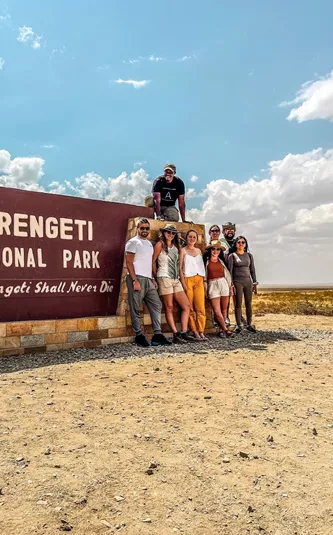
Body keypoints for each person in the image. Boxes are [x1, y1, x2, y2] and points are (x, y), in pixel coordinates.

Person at [125, 218, 172, 347]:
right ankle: (139, 335)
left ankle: (157, 335)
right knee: (135, 308)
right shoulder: (133, 242)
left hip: (148, 279)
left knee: (156, 304)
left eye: (147, 228)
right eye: (142, 228)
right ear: (137, 228)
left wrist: (152, 278)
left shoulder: (149, 244)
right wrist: (134, 280)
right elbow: (129, 262)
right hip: (136, 278)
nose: (144, 230)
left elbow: (148, 262)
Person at [152, 224, 195, 343]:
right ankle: (175, 334)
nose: (170, 235)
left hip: (175, 279)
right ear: (164, 233)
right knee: (169, 307)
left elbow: (179, 265)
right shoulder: (160, 245)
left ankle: (184, 332)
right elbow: (153, 261)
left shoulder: (177, 246)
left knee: (186, 306)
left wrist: (182, 281)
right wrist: (155, 277)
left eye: (173, 233)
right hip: (164, 277)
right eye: (168, 232)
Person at [180, 229, 208, 341]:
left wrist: (204, 281)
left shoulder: (199, 251)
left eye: (194, 237)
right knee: (190, 307)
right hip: (188, 279)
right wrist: (183, 283)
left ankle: (201, 330)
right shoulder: (183, 251)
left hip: (199, 279)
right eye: (190, 236)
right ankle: (194, 331)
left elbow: (202, 266)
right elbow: (180, 268)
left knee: (200, 307)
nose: (192, 239)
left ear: (196, 239)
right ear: (186, 238)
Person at [203, 240, 234, 338]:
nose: (215, 251)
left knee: (224, 309)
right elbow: (205, 277)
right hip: (212, 285)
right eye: (213, 249)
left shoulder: (222, 261)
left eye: (218, 249)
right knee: (216, 310)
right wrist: (205, 289)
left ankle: (221, 330)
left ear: (220, 251)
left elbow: (227, 275)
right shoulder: (206, 262)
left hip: (223, 284)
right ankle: (226, 329)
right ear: (210, 250)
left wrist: (230, 287)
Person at [228, 236, 258, 333]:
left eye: (243, 242)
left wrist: (254, 282)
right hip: (237, 282)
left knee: (248, 303)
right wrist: (231, 284)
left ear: (245, 244)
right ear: (236, 244)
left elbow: (252, 270)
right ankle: (239, 325)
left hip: (248, 282)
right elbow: (230, 271)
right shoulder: (232, 256)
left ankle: (249, 324)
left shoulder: (249, 256)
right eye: (239, 242)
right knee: (238, 304)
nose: (241, 244)